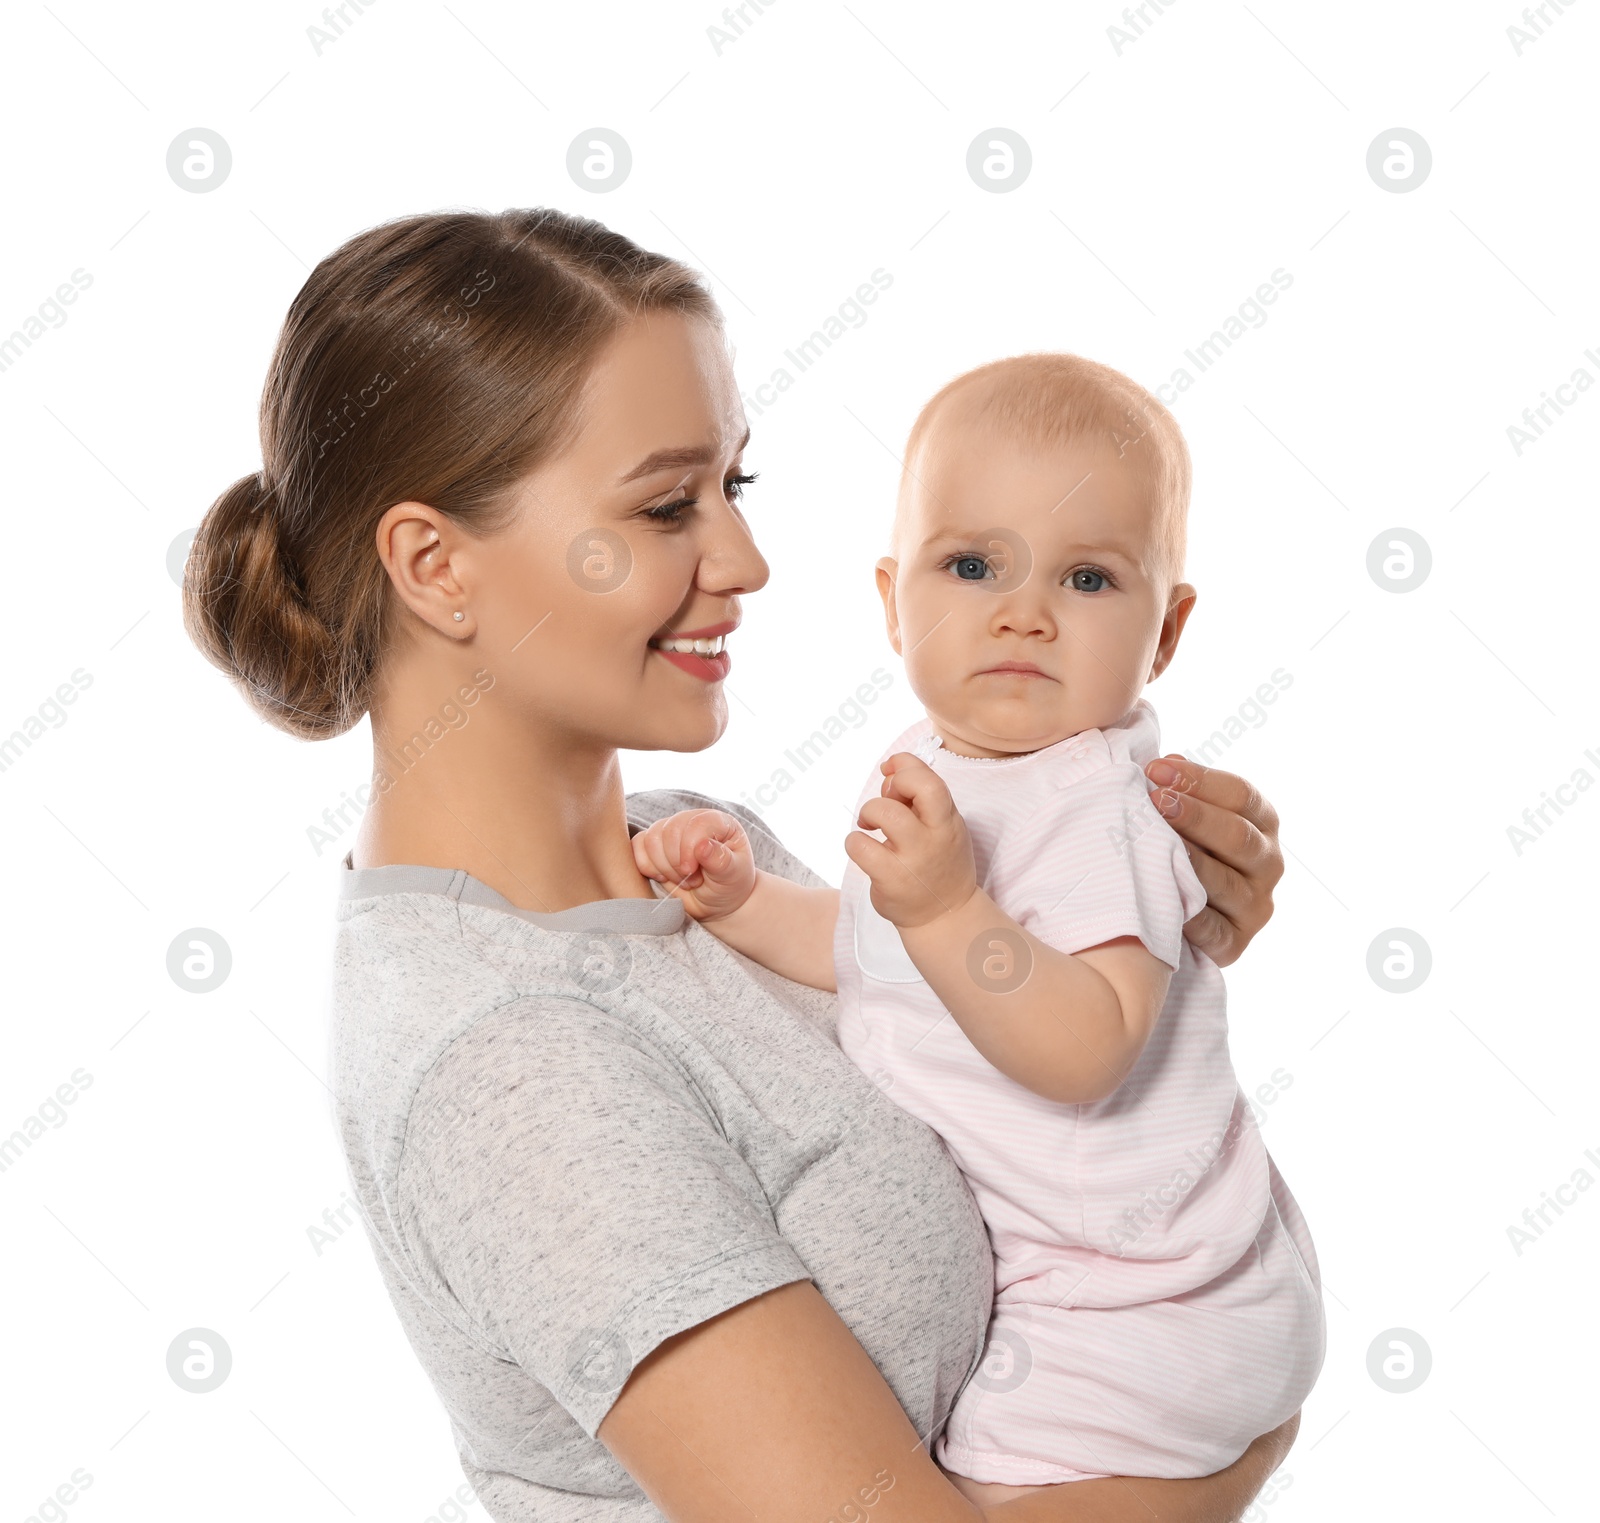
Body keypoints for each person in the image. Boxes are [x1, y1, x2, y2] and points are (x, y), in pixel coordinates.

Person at [184, 207, 1297, 1521]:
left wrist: (1156, 914)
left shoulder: (695, 847)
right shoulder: (519, 1072)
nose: (749, 561)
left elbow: (991, 1069)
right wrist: (1238, 1442)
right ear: (436, 564)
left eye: (736, 485)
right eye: (667, 504)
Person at [631, 352, 1324, 1501]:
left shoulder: (1096, 808)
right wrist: (749, 901)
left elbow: (1089, 1042)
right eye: (971, 565)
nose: (1024, 613)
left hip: (1140, 1302)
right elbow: (880, 957)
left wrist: (949, 907)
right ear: (891, 599)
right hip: (1114, 1281)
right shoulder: (947, 762)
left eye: (1090, 580)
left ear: (1166, 633)